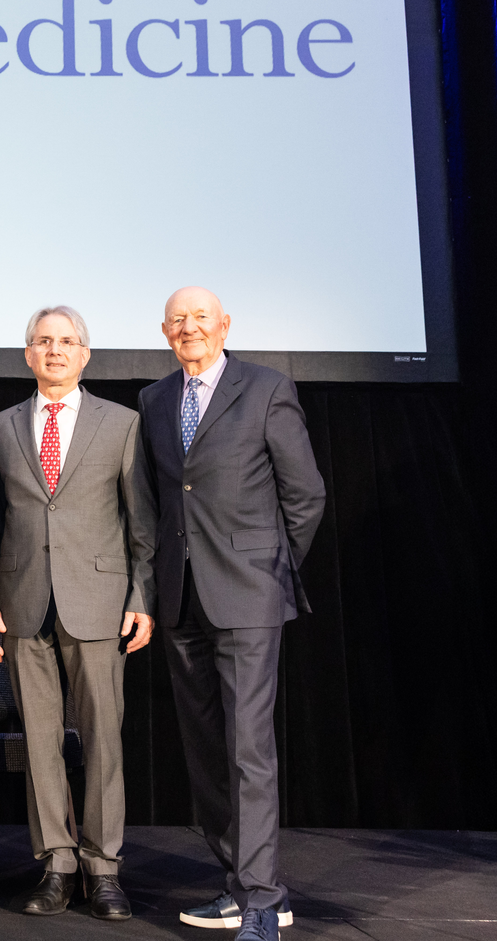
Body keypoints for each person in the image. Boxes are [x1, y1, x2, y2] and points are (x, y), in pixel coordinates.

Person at [136, 288, 325, 941]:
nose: (190, 328)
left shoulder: (267, 388)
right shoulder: (155, 401)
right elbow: (160, 501)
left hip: (247, 596)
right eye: (178, 321)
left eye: (201, 319)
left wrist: (268, 571)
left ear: (224, 326)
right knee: (207, 754)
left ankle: (265, 902)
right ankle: (237, 883)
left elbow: (305, 494)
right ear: (165, 332)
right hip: (181, 597)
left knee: (249, 751)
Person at [0, 306, 156, 920]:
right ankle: (55, 863)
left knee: (104, 739)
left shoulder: (123, 424)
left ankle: (103, 869)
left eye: (66, 342)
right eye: (43, 342)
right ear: (28, 354)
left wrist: (141, 601)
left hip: (101, 604)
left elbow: (143, 529)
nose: (54, 351)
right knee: (39, 741)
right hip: (22, 602)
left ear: (85, 355)